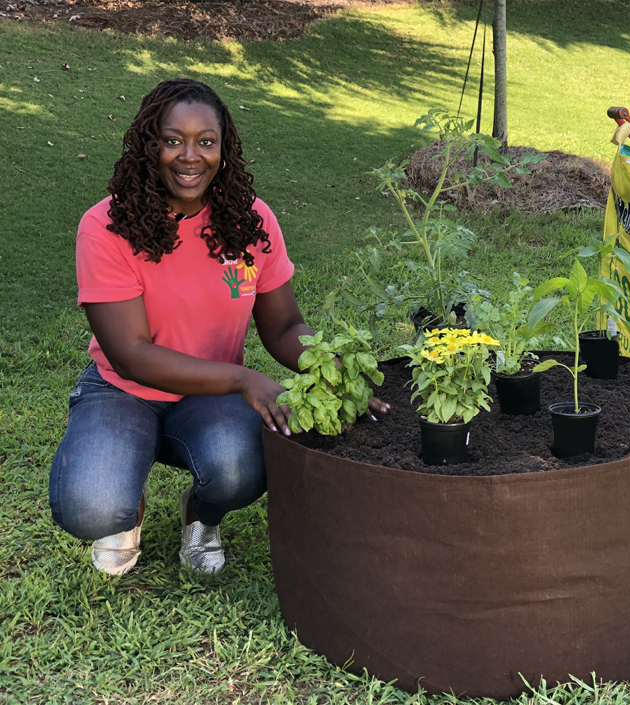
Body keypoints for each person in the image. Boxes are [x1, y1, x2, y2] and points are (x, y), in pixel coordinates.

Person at [49, 77, 389, 576]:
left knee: (245, 464)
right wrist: (244, 379)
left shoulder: (250, 221)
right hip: (123, 391)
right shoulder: (105, 227)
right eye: (172, 140)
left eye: (205, 141)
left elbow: (284, 325)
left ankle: (201, 513)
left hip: (208, 397)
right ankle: (128, 505)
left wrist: (333, 372)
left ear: (223, 149)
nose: (190, 156)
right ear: (150, 145)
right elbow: (131, 354)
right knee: (92, 506)